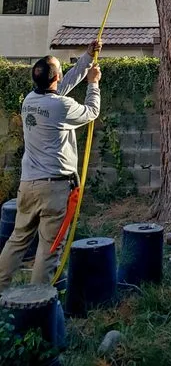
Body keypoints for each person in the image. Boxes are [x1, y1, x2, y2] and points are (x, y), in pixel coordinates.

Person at [0, 42, 101, 291]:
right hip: (54, 189)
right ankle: (36, 303)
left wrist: (87, 58)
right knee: (49, 248)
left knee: (17, 240)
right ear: (54, 77)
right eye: (59, 70)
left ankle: (1, 288)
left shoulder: (30, 101)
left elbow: (61, 87)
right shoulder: (61, 106)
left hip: (29, 185)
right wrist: (94, 84)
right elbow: (91, 112)